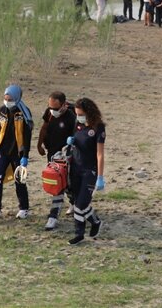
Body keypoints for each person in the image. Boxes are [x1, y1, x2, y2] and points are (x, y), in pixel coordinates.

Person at [0, 85, 33, 220]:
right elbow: (0, 129)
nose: (7, 101)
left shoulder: (23, 114)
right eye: (5, 98)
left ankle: (24, 208)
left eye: (10, 99)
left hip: (17, 152)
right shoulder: (3, 110)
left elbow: (27, 136)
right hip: (3, 150)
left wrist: (25, 156)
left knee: (19, 180)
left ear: (17, 98)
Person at [67, 97, 106, 245]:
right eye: (77, 114)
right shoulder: (78, 124)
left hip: (89, 170)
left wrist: (100, 176)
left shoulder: (98, 128)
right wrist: (71, 141)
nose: (79, 117)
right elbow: (75, 140)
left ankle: (79, 234)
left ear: (89, 113)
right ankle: (95, 221)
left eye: (81, 114)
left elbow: (100, 154)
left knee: (81, 204)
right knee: (77, 201)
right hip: (75, 167)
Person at [36, 91, 77, 231]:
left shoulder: (71, 117)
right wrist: (39, 144)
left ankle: (57, 214)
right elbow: (44, 127)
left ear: (64, 105)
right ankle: (62, 210)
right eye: (50, 107)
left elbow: (76, 136)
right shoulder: (49, 113)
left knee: (64, 184)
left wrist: (69, 150)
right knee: (59, 185)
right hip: (52, 153)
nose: (52, 111)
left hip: (65, 155)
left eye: (55, 108)